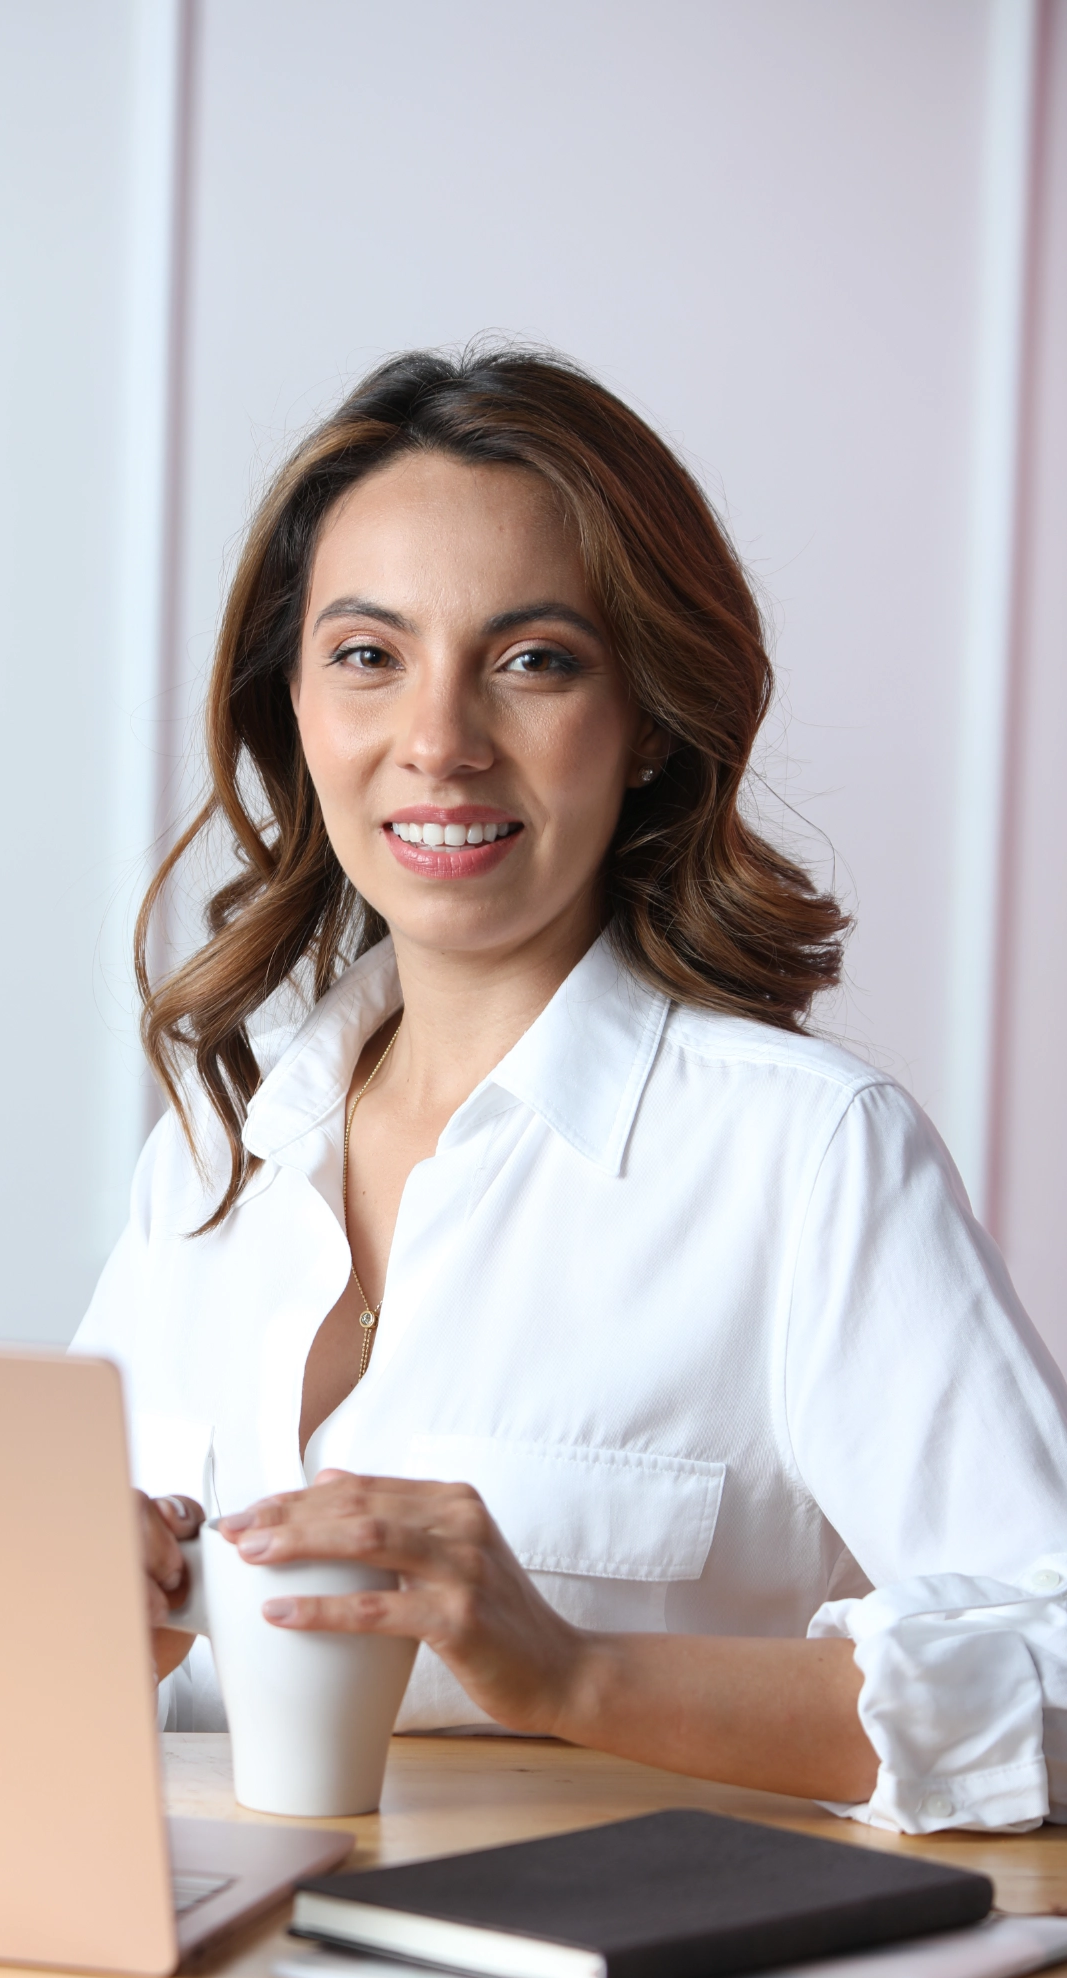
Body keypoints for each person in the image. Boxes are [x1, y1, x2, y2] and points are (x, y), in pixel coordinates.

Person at [76, 347, 1067, 1833]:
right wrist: (107, 1629)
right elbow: (78, 1683)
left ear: (650, 718)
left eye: (533, 659)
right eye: (368, 655)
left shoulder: (806, 1161)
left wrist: (573, 1670)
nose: (439, 741)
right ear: (294, 709)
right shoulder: (212, 1160)